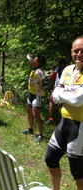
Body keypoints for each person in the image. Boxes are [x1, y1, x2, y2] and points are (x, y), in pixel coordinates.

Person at [45, 36, 83, 190]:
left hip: (80, 126)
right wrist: (70, 94)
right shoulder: (67, 70)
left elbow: (77, 100)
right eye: (76, 50)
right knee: (50, 159)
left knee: (78, 171)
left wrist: (65, 95)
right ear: (71, 52)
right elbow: (55, 95)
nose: (79, 53)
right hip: (64, 123)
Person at [21, 54, 50, 142]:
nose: (32, 61)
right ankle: (30, 129)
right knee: (29, 111)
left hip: (37, 95)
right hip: (31, 94)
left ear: (38, 64)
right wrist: (29, 56)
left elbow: (47, 83)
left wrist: (43, 88)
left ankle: (40, 134)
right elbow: (29, 58)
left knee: (36, 114)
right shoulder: (35, 68)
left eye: (34, 60)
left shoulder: (39, 72)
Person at [45, 58, 68, 124]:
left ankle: (51, 118)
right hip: (65, 88)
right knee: (61, 104)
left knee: (51, 102)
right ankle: (60, 119)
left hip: (57, 88)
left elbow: (52, 77)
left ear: (59, 63)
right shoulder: (69, 69)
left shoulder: (57, 68)